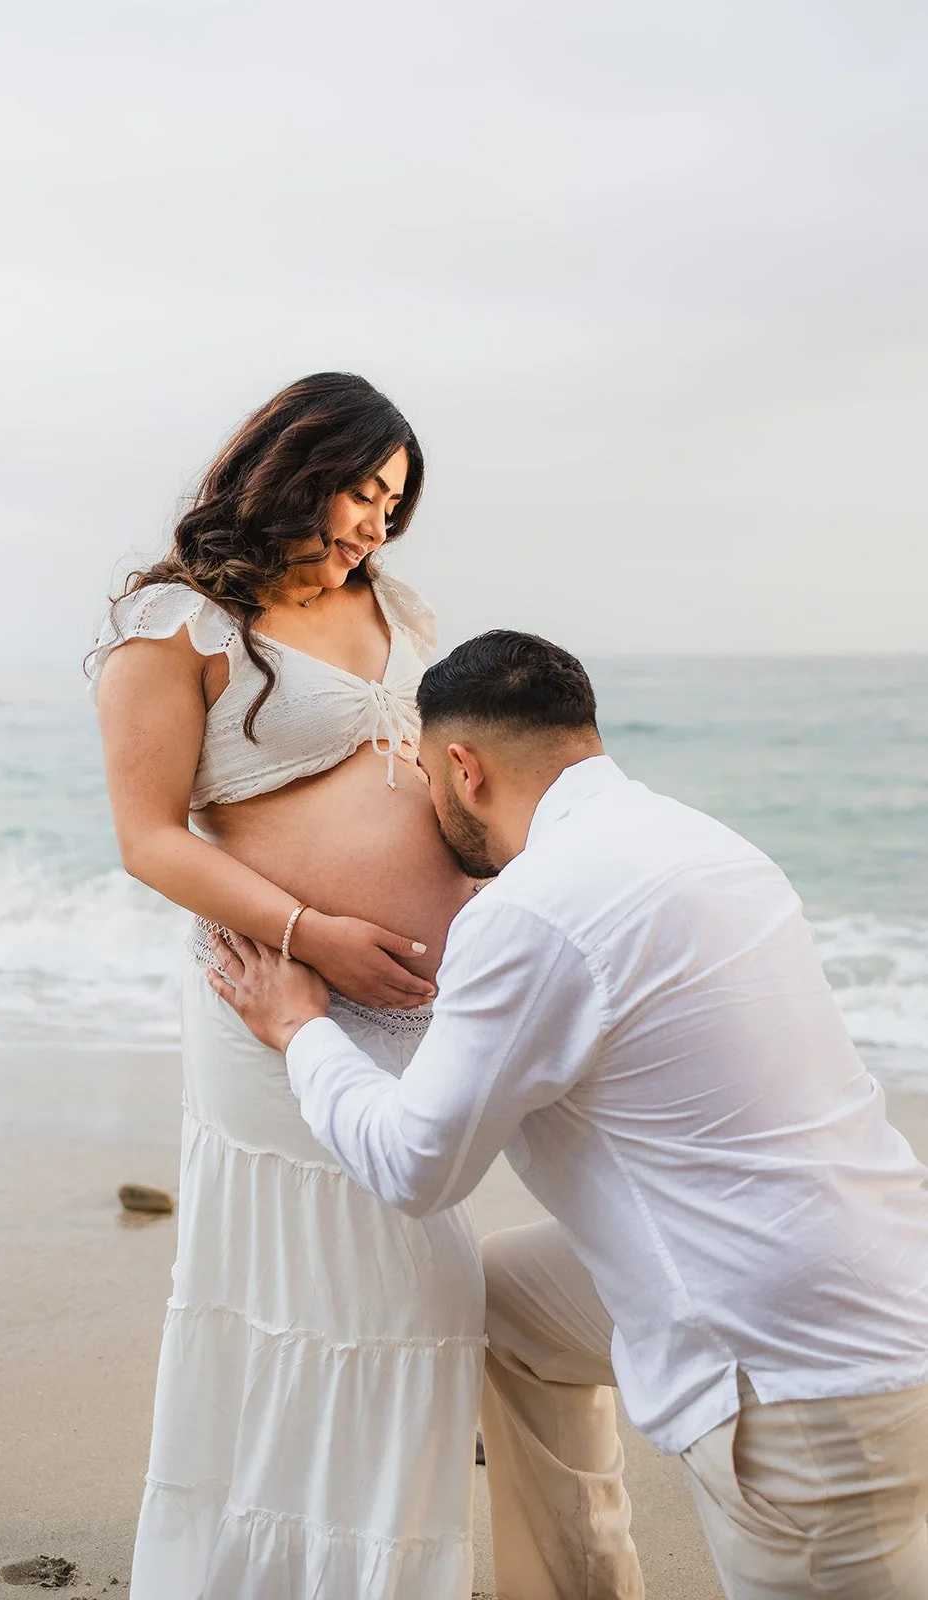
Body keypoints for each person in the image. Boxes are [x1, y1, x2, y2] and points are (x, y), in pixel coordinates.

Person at [210, 629, 928, 1600]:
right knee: (498, 1295)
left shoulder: (531, 911)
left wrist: (298, 1028)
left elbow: (416, 1166)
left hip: (803, 1387)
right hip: (882, 1276)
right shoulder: (705, 844)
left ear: (461, 768)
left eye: (422, 776)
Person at [88, 373, 486, 1599]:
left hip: (417, 1009)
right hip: (278, 1001)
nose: (373, 524)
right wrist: (313, 932)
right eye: (361, 492)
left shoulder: (388, 602)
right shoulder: (174, 623)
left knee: (417, 1301)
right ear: (289, 464)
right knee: (308, 1297)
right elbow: (151, 838)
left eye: (392, 505)